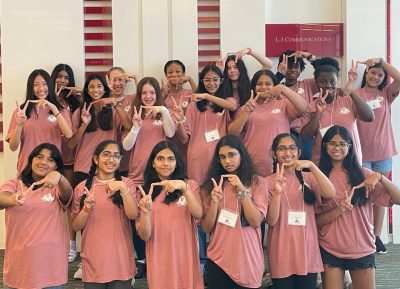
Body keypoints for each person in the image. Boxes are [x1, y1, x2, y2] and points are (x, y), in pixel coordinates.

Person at [316, 125, 400, 289]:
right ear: (325, 146)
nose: (337, 148)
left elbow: (397, 199)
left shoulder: (364, 175)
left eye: (342, 144)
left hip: (361, 248)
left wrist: (381, 177)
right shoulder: (319, 177)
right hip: (330, 247)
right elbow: (316, 221)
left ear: (350, 147)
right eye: (332, 143)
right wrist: (339, 209)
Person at [265, 133, 335, 289]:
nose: (287, 153)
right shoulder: (267, 182)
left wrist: (311, 166)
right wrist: (277, 193)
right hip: (281, 250)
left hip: (307, 250)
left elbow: (330, 193)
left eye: (292, 148)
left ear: (299, 152)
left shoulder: (309, 178)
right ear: (273, 154)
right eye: (281, 149)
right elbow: (271, 220)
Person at [0, 143, 73, 289]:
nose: (44, 162)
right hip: (20, 264)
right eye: (39, 157)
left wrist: (59, 177)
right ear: (31, 160)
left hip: (50, 266)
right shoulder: (15, 184)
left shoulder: (57, 188)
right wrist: (13, 199)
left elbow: (67, 194)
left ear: (56, 166)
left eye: (51, 160)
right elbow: (2, 198)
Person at [201, 135, 268, 289]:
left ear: (241, 155)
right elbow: (206, 228)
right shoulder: (211, 185)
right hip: (218, 260)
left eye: (231, 155)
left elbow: (255, 221)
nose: (227, 161)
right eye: (222, 157)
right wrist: (214, 203)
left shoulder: (257, 182)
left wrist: (242, 190)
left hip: (247, 261)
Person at [136, 140, 203, 289]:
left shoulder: (190, 185)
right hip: (159, 254)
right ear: (153, 163)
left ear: (177, 162)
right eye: (160, 158)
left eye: (171, 159)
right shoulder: (145, 191)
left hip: (185, 253)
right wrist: (146, 213)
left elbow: (198, 213)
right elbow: (144, 235)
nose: (166, 163)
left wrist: (184, 188)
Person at [71, 140, 138, 288]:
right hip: (93, 260)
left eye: (116, 156)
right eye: (106, 155)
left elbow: (133, 215)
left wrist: (123, 188)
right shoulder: (82, 187)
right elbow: (75, 226)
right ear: (96, 159)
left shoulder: (127, 184)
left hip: (121, 260)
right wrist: (86, 209)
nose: (111, 160)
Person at [351, 58, 400, 254]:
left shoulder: (386, 94)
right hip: (361, 155)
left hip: (383, 154)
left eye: (380, 75)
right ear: (366, 73)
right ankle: (365, 234)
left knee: (381, 196)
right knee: (364, 196)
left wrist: (381, 61)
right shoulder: (356, 94)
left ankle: (376, 236)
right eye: (372, 73)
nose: (375, 77)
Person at [228, 69, 307, 177]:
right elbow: (232, 133)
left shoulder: (283, 105)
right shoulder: (245, 108)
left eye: (268, 84)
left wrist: (283, 88)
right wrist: (247, 111)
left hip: (282, 162)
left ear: (274, 85)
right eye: (259, 84)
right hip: (252, 164)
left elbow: (303, 107)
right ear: (253, 87)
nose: (263, 87)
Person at [300, 57, 375, 165]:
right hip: (322, 164)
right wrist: (318, 113)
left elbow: (369, 117)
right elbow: (304, 136)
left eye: (332, 81)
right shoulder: (311, 106)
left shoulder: (348, 100)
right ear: (316, 83)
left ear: (337, 82)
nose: (328, 85)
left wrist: (351, 92)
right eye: (323, 82)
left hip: (350, 162)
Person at [173, 64, 236, 185]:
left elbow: (232, 107)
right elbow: (184, 138)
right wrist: (180, 122)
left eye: (215, 79)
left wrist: (207, 96)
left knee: (220, 191)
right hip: (197, 158)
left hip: (221, 156)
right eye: (207, 80)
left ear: (222, 81)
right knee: (198, 193)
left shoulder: (228, 101)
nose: (211, 83)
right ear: (202, 82)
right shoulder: (194, 105)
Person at [68, 73, 132, 188]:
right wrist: (84, 125)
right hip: (83, 168)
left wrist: (115, 102)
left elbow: (128, 127)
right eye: (91, 87)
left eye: (99, 86)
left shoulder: (113, 111)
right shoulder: (79, 112)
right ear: (87, 90)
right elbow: (71, 144)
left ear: (104, 89)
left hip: (108, 167)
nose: (95, 90)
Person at [6, 69, 73, 175]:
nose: (41, 88)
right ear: (30, 88)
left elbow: (69, 135)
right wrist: (19, 125)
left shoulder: (61, 110)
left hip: (52, 169)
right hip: (26, 168)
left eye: (44, 84)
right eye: (36, 85)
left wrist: (55, 109)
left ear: (50, 86)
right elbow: (13, 147)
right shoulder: (21, 111)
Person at [51, 63, 82, 263]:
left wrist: (76, 92)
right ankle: (53, 242)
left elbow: (92, 96)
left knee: (70, 203)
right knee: (49, 203)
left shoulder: (74, 103)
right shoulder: (46, 101)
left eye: (67, 77)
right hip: (50, 160)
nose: (63, 80)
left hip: (70, 159)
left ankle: (72, 246)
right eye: (59, 76)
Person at [107, 66, 138, 176]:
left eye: (120, 79)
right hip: (106, 157)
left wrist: (135, 78)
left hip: (126, 156)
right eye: (113, 80)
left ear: (125, 81)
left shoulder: (131, 99)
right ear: (107, 81)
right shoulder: (104, 101)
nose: (117, 83)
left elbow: (143, 95)